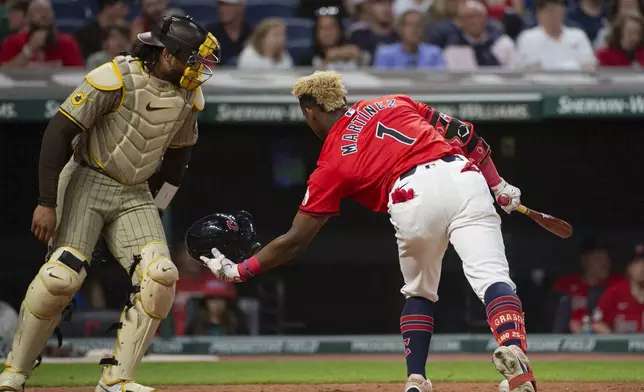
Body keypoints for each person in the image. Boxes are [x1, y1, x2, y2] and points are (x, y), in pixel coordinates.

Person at [198, 71, 535, 392]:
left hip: (412, 195)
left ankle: (416, 379)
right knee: (492, 277)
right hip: (464, 176)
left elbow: (294, 242)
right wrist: (498, 183)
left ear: (310, 111)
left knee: (419, 292)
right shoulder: (394, 101)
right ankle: (514, 352)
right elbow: (463, 133)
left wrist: (238, 271)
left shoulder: (331, 163)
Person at [0, 15, 219, 392]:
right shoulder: (115, 77)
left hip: (134, 193)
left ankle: (117, 379)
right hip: (86, 178)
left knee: (161, 275)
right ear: (167, 54)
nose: (197, 69)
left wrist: (158, 209)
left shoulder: (189, 97)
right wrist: (46, 202)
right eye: (192, 59)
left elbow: (178, 163)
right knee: (61, 277)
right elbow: (58, 132)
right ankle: (15, 370)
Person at [0, 0, 84, 68]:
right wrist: (29, 50)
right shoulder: (12, 42)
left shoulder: (68, 43)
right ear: (28, 18)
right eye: (38, 11)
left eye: (47, 11)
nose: (44, 15)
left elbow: (78, 75)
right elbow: (3, 72)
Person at [592, 245, 644, 333]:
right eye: (637, 262)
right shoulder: (614, 292)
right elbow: (597, 323)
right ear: (629, 267)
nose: (642, 267)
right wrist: (614, 341)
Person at [373, 8, 445, 69]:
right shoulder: (385, 54)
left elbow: (442, 80)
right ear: (400, 29)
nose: (414, 30)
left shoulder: (434, 54)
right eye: (409, 25)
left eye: (418, 26)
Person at [299, 6, 364, 70]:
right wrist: (327, 58)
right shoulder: (307, 59)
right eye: (322, 28)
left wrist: (336, 54)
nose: (327, 32)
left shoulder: (352, 49)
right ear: (316, 32)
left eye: (331, 27)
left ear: (339, 29)